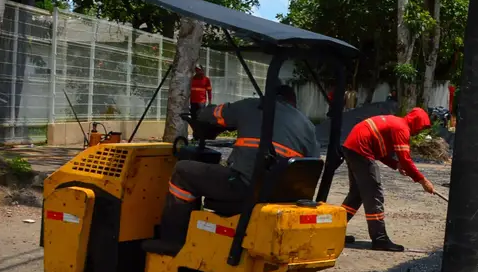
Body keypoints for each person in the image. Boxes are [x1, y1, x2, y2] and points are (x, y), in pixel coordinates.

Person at [159, 85, 319, 251]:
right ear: (293, 102)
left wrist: (206, 117)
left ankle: (172, 242)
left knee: (183, 171)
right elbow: (311, 166)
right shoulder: (308, 126)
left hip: (245, 190)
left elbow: (209, 115)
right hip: (283, 197)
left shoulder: (252, 106)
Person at [341, 106, 435, 251]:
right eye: (421, 127)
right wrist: (423, 181)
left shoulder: (395, 123)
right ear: (416, 122)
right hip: (361, 149)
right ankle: (380, 239)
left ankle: (335, 231)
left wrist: (395, 164)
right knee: (374, 193)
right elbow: (406, 160)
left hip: (352, 146)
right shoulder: (402, 129)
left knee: (357, 194)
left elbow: (382, 151)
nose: (419, 131)